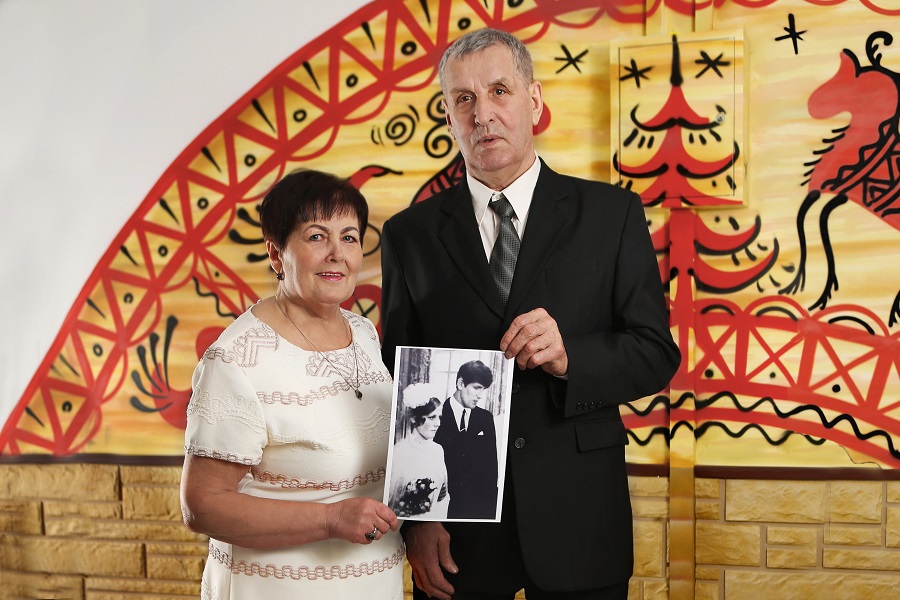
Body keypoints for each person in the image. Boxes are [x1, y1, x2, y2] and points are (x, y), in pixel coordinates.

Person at [380, 28, 681, 600]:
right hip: (458, 529)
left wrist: (571, 357)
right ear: (448, 117)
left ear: (534, 101)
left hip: (580, 516)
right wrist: (416, 519)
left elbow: (655, 353)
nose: (483, 115)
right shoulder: (408, 236)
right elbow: (399, 383)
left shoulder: (612, 214)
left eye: (499, 91)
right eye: (464, 99)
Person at [180, 169, 403, 599]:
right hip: (276, 587)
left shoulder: (363, 333)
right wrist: (330, 519)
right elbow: (203, 506)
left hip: (373, 582)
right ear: (276, 253)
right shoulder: (237, 359)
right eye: (316, 236)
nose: (337, 254)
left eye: (349, 237)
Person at [433, 360, 499, 520]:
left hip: (477, 508)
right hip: (442, 507)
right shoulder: (435, 415)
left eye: (483, 389)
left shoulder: (486, 418)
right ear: (461, 384)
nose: (480, 395)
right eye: (477, 388)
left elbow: (491, 467)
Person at [387, 382, 450, 519]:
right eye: (432, 417)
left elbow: (442, 496)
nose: (438, 423)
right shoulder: (399, 453)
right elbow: (390, 503)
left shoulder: (438, 450)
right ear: (414, 419)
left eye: (439, 417)